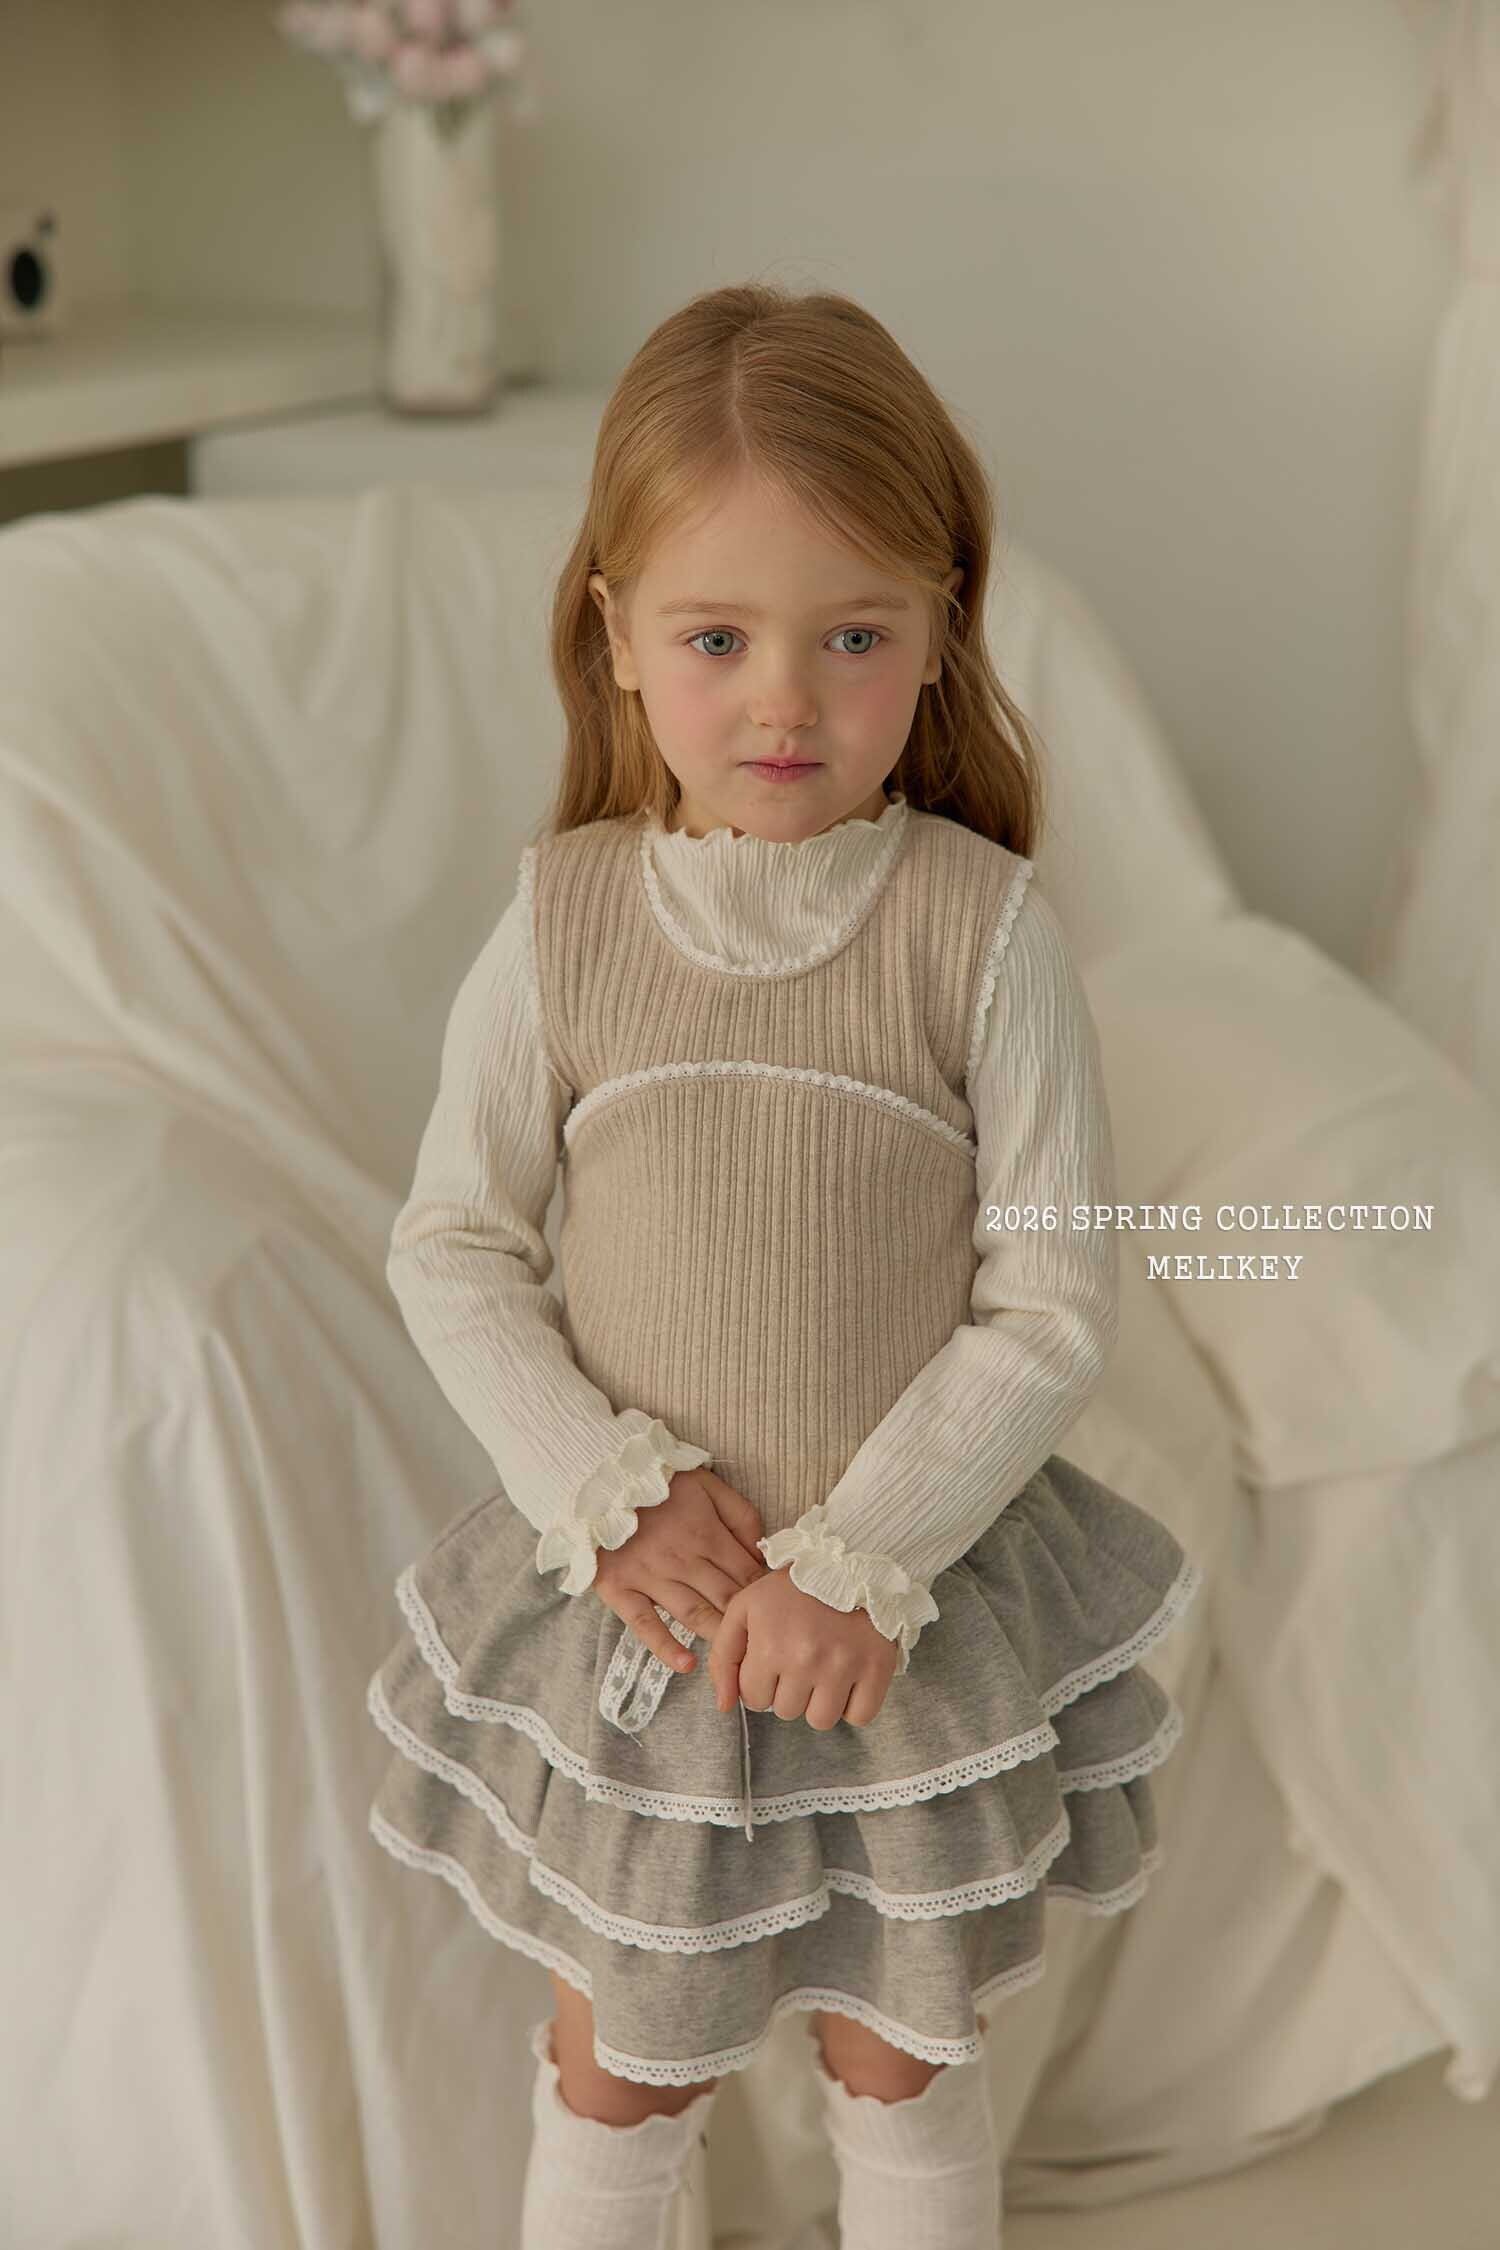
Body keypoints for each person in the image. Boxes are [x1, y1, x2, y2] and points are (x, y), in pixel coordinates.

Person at [365, 279, 1204, 2250]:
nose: (785, 701)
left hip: (890, 1623)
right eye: (717, 637)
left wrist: (861, 1561)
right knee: (620, 2067)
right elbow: (457, 1245)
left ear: (939, 633)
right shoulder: (564, 924)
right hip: (646, 1627)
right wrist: (611, 1490)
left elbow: (1051, 1298)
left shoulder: (980, 932)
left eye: (853, 636)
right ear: (616, 636)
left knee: (904, 2065)